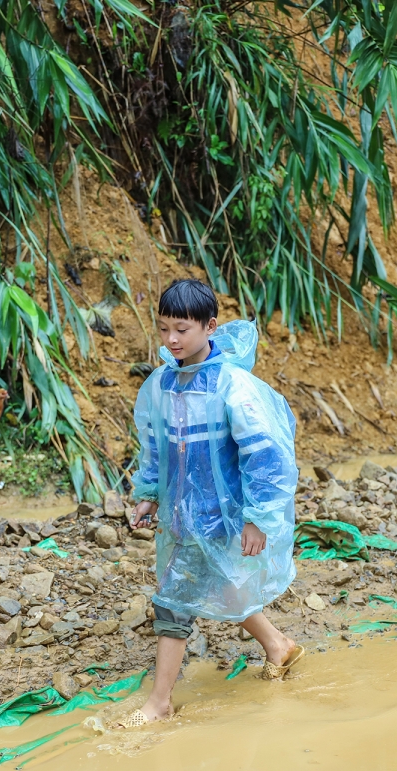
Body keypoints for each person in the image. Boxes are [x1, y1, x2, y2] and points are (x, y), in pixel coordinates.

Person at [119, 278, 304, 728]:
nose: (171, 340)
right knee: (222, 584)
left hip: (225, 513)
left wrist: (259, 518)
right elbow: (155, 448)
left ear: (210, 327)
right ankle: (279, 645)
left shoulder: (233, 386)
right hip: (182, 513)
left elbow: (266, 455)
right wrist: (147, 495)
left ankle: (159, 702)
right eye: (163, 329)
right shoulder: (163, 384)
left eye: (181, 329)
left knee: (174, 598)